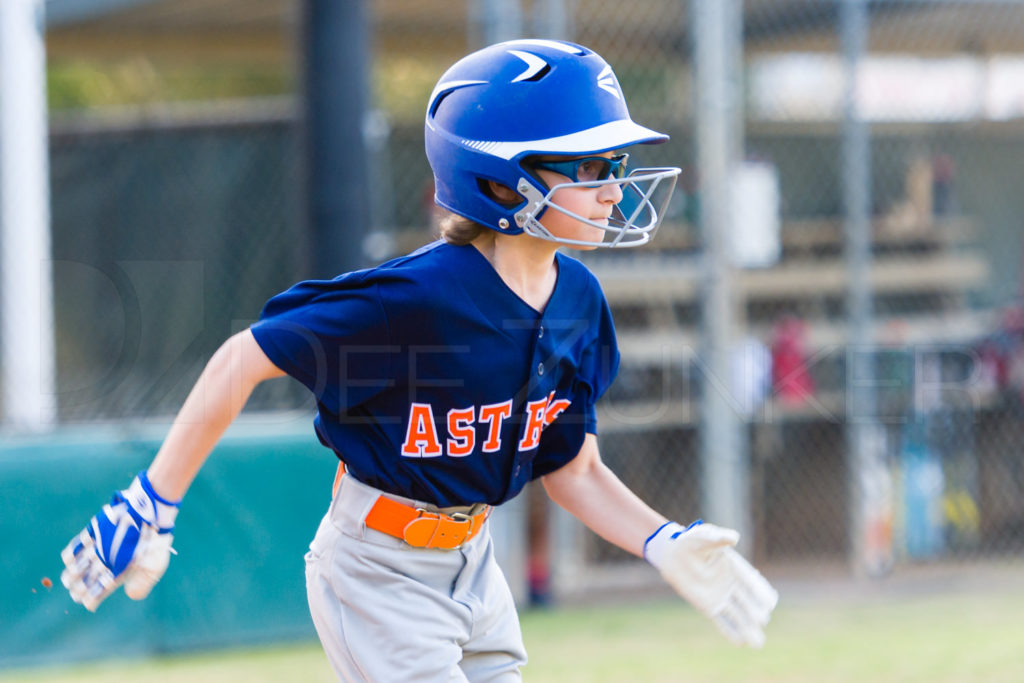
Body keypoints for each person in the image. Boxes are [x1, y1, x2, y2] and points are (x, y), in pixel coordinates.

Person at [61, 39, 778, 681]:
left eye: (616, 164)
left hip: (474, 563)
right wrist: (152, 500)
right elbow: (240, 359)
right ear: (502, 180)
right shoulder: (414, 297)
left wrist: (662, 540)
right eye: (590, 165)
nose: (616, 188)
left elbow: (573, 468)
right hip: (378, 568)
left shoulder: (579, 302)